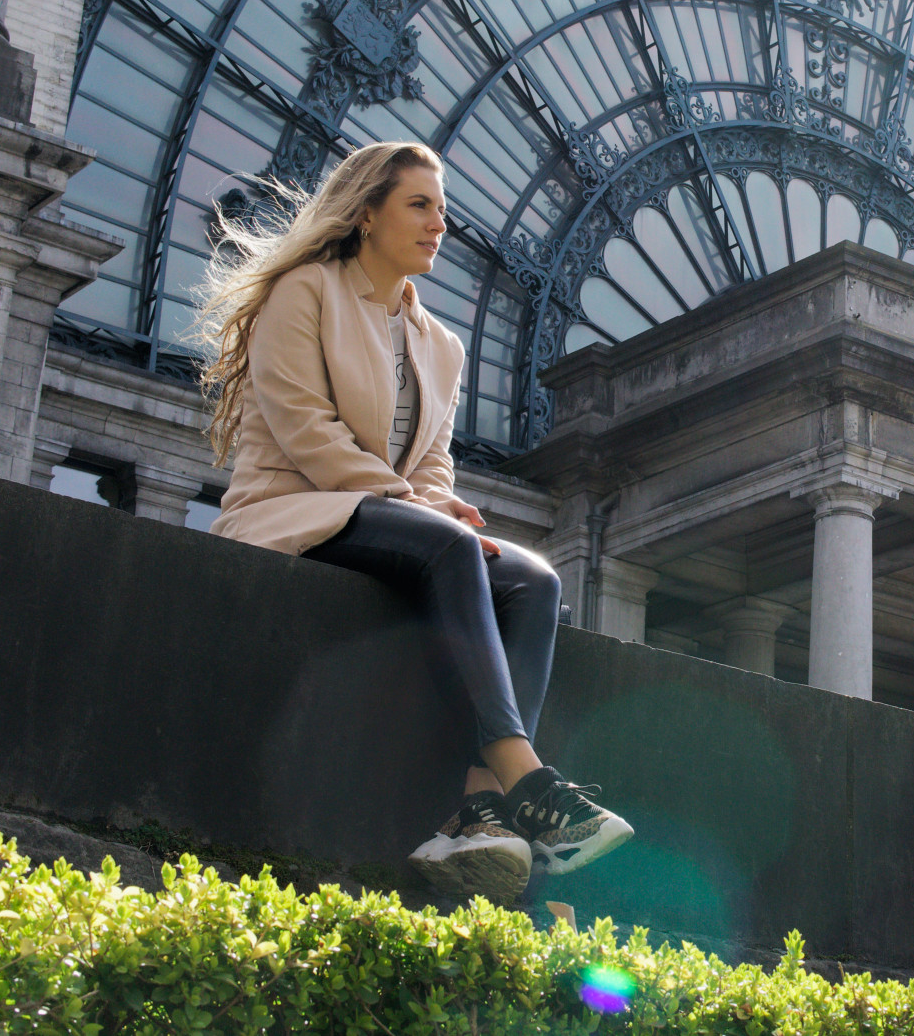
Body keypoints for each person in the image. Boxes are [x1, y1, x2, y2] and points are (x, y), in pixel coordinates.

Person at [192, 140, 631, 904]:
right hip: (292, 512)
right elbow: (308, 435)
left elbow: (431, 463)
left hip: (389, 518)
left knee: (534, 577)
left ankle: (476, 807)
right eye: (419, 205)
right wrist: (421, 504)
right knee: (454, 542)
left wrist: (429, 500)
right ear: (366, 215)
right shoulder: (306, 292)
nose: (439, 224)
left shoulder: (441, 344)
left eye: (443, 209)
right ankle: (529, 782)